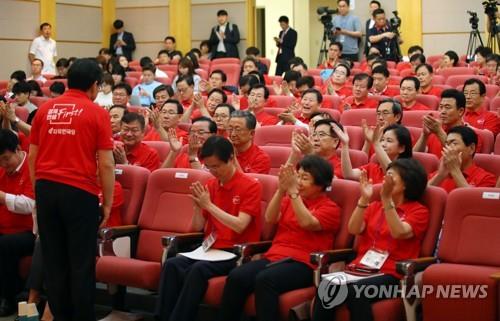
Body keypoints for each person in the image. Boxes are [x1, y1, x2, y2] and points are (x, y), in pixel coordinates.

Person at [28, 58, 115, 321]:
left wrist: (39, 191)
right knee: (81, 265)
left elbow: (32, 156)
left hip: (46, 190)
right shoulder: (97, 113)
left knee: (55, 263)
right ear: (94, 85)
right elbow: (107, 164)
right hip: (79, 193)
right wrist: (108, 203)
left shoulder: (45, 110)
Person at [218, 155, 340, 321]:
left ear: (321, 184)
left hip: (304, 264)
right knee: (236, 276)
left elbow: (306, 222)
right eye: (297, 176)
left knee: (265, 280)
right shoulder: (289, 199)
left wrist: (293, 193)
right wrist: (281, 189)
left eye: (304, 178)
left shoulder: (330, 208)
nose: (298, 181)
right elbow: (270, 217)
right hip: (275, 256)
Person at [155, 135, 262, 321]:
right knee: (172, 265)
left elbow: (240, 225)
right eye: (209, 167)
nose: (213, 171)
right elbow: (197, 227)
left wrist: (210, 206)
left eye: (217, 166)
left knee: (197, 270)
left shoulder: (250, 186)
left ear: (231, 158)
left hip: (236, 251)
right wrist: (198, 208)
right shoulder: (210, 185)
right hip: (208, 248)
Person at [312, 158, 429, 321]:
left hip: (393, 274)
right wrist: (364, 200)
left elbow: (399, 232)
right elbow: (353, 229)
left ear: (406, 184)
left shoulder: (419, 211)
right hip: (362, 267)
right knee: (326, 286)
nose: (385, 180)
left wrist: (387, 200)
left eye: (391, 176)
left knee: (357, 291)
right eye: (386, 175)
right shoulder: (374, 205)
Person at [0, 129, 35, 317]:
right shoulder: (1, 169)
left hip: (29, 232)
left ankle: (9, 297)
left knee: (5, 245)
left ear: (18, 149)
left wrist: (3, 197)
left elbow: (30, 204)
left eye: (6, 159)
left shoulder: (33, 166)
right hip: (4, 226)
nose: (3, 165)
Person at [413, 89, 483, 159]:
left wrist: (439, 132)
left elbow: (458, 159)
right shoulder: (434, 130)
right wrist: (424, 135)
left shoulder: (472, 135)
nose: (442, 111)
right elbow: (414, 156)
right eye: (441, 107)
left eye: (447, 107)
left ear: (460, 111)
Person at [428, 126, 496, 193]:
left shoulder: (486, 178)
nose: (448, 149)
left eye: (454, 143)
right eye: (447, 144)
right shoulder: (437, 174)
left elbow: (475, 202)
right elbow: (421, 196)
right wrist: (440, 176)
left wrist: (455, 170)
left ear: (471, 148)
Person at [339, 123, 413, 184]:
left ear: (401, 148)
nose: (383, 144)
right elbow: (348, 174)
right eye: (382, 140)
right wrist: (344, 145)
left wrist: (376, 143)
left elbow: (391, 172)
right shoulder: (372, 167)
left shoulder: (407, 170)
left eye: (389, 141)